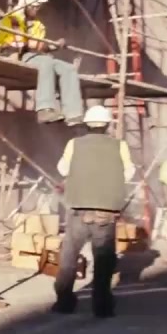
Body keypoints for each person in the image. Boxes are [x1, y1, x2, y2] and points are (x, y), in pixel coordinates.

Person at [53, 104, 135, 317]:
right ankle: (102, 306)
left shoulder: (74, 144)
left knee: (69, 256)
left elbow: (63, 169)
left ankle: (63, 302)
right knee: (103, 260)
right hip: (105, 212)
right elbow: (129, 173)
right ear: (107, 125)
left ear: (87, 125)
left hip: (78, 210)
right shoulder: (120, 146)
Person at [0, 0, 84, 124]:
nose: (36, 9)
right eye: (34, 6)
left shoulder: (38, 25)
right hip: (13, 54)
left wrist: (53, 46)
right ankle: (45, 109)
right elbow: (10, 43)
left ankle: (73, 114)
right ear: (26, 3)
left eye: (38, 6)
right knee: (46, 62)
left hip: (32, 56)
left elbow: (39, 46)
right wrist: (28, 44)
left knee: (69, 69)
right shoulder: (12, 18)